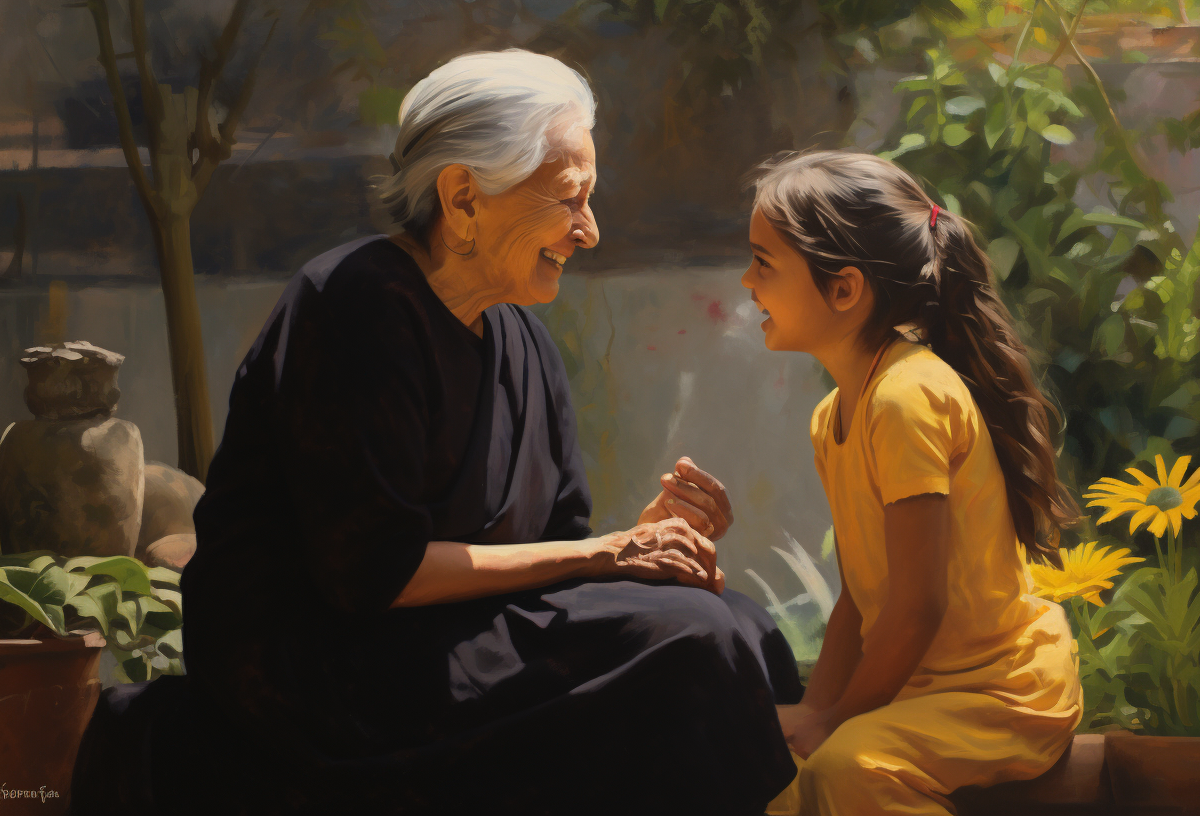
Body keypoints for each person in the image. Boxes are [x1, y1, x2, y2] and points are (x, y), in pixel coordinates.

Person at [74, 50, 802, 816]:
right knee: (692, 641)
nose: (589, 231)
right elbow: (374, 576)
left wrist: (645, 544)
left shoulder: (522, 339)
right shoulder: (356, 303)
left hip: (452, 636)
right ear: (462, 201)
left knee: (738, 622)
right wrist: (606, 554)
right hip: (324, 667)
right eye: (570, 199)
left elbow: (552, 543)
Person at [740, 151, 1084, 816]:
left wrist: (835, 722)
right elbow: (860, 601)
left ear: (843, 289)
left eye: (764, 262)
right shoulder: (834, 416)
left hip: (1000, 694)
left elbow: (916, 606)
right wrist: (816, 712)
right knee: (779, 779)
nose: (747, 281)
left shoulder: (908, 397)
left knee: (851, 767)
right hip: (918, 692)